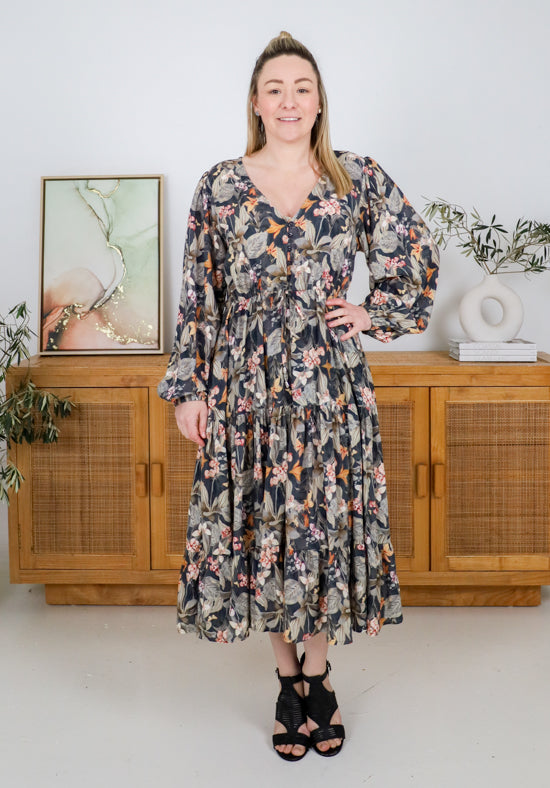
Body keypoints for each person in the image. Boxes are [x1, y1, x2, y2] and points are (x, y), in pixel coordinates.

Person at [158, 31, 439, 761]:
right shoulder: (220, 184)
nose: (289, 100)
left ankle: (318, 674)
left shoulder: (356, 178)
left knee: (319, 527)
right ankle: (288, 682)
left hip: (329, 387)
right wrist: (190, 389)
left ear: (319, 103)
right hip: (245, 386)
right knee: (266, 529)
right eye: (275, 88)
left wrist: (372, 311)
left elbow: (415, 254)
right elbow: (200, 296)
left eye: (302, 88)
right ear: (255, 101)